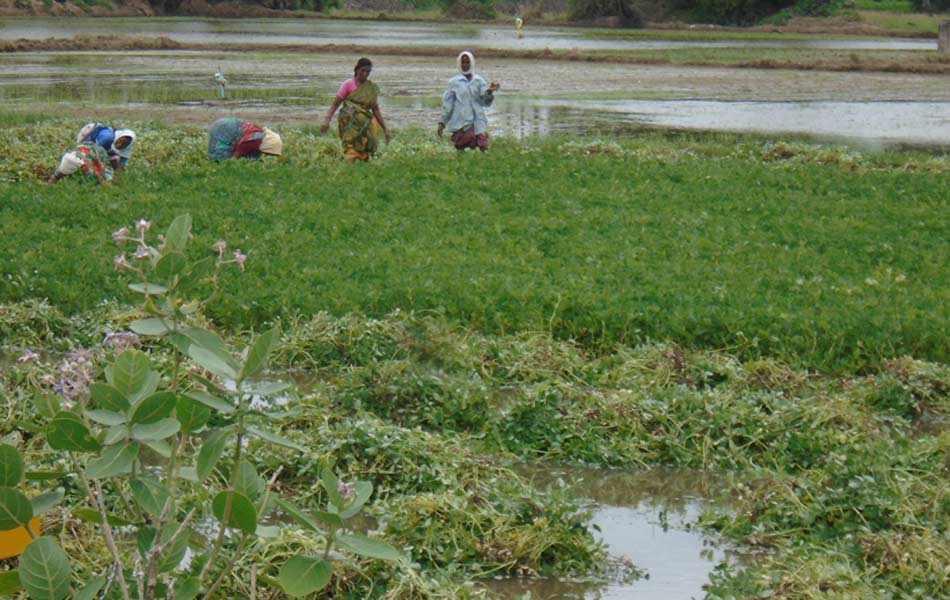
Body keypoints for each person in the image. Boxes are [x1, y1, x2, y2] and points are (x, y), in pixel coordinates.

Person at [321, 57, 391, 162]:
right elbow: (335, 104)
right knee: (350, 143)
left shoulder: (370, 88)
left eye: (368, 71)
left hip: (365, 121)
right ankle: (351, 160)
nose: (365, 73)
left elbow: (375, 109)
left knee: (371, 141)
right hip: (349, 120)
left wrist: (385, 128)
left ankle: (363, 160)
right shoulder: (348, 84)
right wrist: (327, 120)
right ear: (357, 69)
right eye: (363, 70)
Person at [437, 51, 500, 152]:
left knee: (483, 143)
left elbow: (485, 102)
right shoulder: (454, 82)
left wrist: (490, 92)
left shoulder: (479, 81)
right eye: (463, 63)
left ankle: (486, 163)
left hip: (478, 119)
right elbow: (448, 104)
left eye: (467, 62)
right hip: (461, 120)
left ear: (472, 63)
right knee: (461, 144)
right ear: (459, 64)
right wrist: (442, 123)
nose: (465, 65)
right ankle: (461, 163)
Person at [207, 117, 282, 160]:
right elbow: (239, 151)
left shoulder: (259, 138)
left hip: (226, 123)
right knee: (219, 156)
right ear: (268, 146)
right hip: (224, 128)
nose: (267, 154)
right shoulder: (255, 141)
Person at [48, 142, 114, 184]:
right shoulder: (65, 165)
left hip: (93, 151)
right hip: (84, 151)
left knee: (100, 173)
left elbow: (96, 172)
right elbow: (55, 176)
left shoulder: (82, 162)